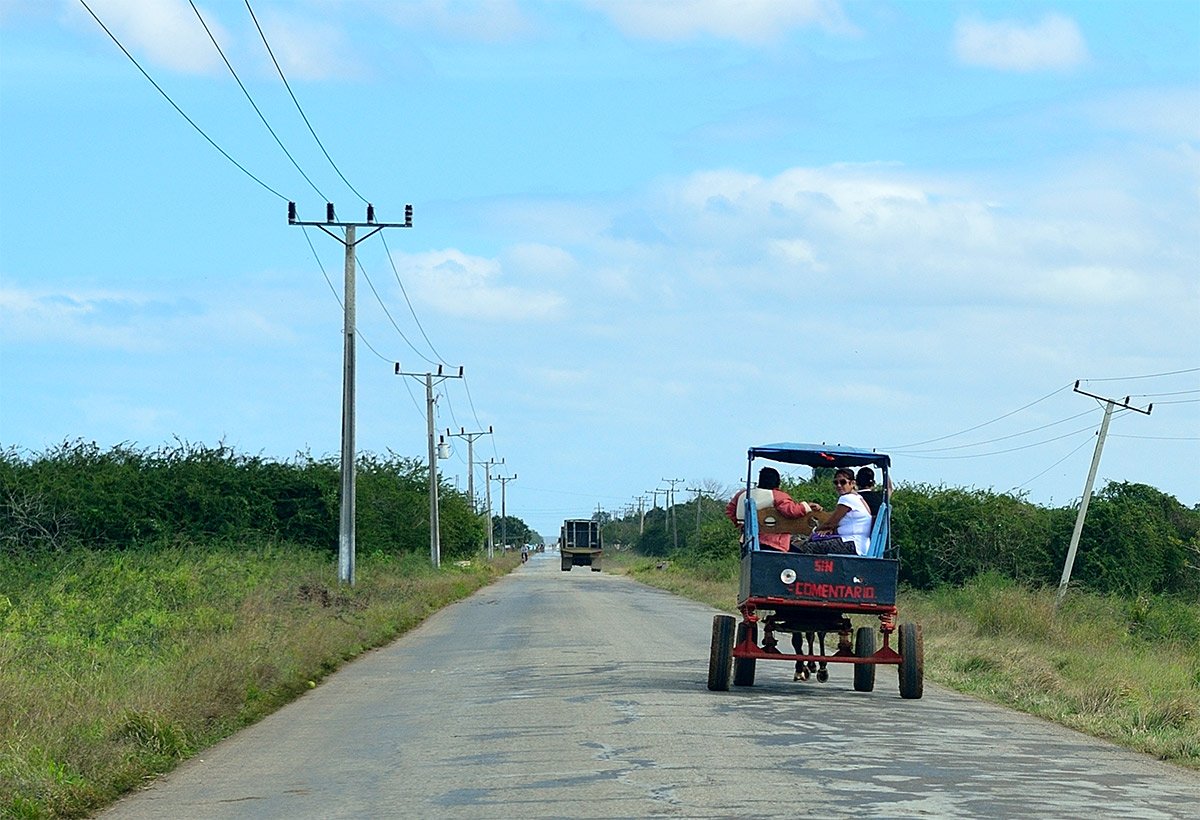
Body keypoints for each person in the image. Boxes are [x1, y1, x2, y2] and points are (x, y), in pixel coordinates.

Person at [725, 467, 822, 552]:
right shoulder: (777, 496)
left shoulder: (743, 495)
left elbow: (730, 510)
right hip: (774, 544)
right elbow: (792, 511)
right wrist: (807, 506)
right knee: (800, 556)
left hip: (747, 542)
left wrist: (741, 525)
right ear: (777, 482)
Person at [815, 468, 872, 556]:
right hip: (861, 545)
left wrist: (814, 531)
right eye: (836, 482)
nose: (839, 485)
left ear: (852, 483)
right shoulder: (858, 498)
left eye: (843, 482)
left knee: (807, 547)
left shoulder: (847, 498)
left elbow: (830, 523)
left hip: (851, 543)